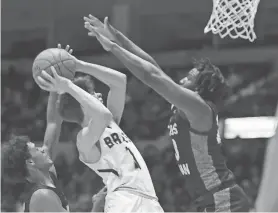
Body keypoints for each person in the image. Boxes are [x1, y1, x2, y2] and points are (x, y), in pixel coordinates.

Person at [84, 15, 251, 212]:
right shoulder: (186, 108)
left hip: (224, 200)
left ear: (199, 90)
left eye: (188, 78)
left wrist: (113, 48)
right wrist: (116, 36)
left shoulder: (200, 109)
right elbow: (153, 66)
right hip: (209, 201)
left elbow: (151, 75)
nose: (181, 80)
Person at [36, 54, 164, 213]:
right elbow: (102, 115)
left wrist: (79, 65)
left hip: (149, 198)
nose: (99, 95)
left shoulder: (111, 124)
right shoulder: (83, 139)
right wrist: (68, 86)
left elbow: (120, 81)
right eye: (93, 94)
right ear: (83, 104)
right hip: (125, 200)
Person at [1, 43, 71, 213]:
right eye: (37, 148)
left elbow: (53, 121)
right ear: (30, 162)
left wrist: (56, 85)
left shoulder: (48, 177)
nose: (43, 148)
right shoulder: (41, 196)